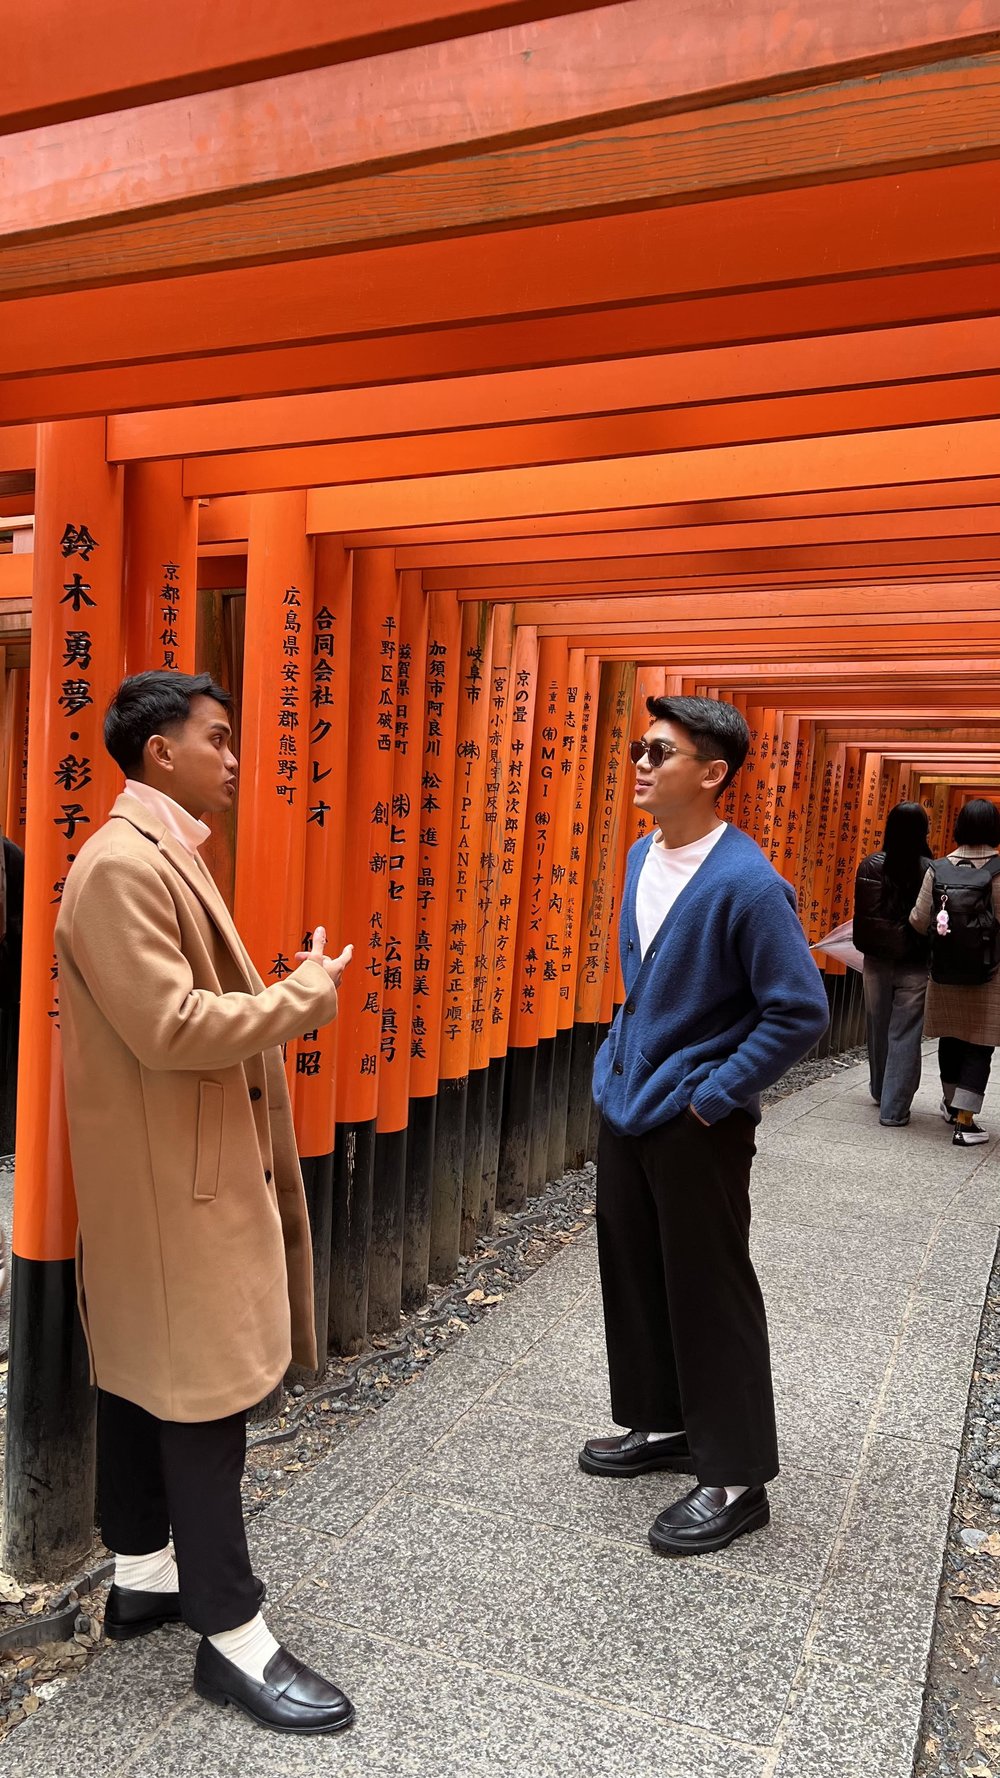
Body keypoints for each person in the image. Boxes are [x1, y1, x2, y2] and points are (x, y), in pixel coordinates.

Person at [55, 671, 356, 1736]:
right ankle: (232, 1633)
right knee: (203, 1399)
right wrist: (302, 996)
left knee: (153, 1376)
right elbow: (170, 1026)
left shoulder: (152, 852)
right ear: (158, 751)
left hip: (163, 1170)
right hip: (170, 1180)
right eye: (216, 738)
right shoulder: (123, 865)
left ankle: (144, 1572)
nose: (232, 759)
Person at [579, 695, 829, 1556]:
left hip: (696, 1121)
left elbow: (799, 1009)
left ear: (714, 774)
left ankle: (736, 1477)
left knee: (709, 1288)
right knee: (634, 1268)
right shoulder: (642, 855)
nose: (642, 765)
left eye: (662, 752)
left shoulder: (748, 886)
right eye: (640, 749)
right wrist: (617, 1058)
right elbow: (649, 987)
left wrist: (715, 1094)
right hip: (630, 1105)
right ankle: (663, 1423)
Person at [910, 797, 1000, 1147]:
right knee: (980, 1043)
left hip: (945, 970)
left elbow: (919, 919)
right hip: (990, 974)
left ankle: (951, 1105)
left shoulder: (938, 868)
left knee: (950, 1035)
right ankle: (965, 1121)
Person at [852, 802, 932, 1127]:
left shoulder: (869, 865)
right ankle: (894, 1109)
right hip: (915, 964)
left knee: (878, 1027)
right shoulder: (930, 869)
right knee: (905, 1033)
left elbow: (865, 918)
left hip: (876, 961)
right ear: (923, 832)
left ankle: (879, 1089)